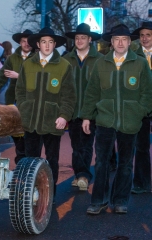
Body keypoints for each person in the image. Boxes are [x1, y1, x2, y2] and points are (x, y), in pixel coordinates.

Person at [81, 24, 152, 215]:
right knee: (102, 161)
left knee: (126, 163)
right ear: (111, 43)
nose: (120, 43)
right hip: (105, 120)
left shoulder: (140, 63)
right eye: (117, 39)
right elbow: (92, 92)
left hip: (130, 121)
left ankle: (120, 200)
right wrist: (87, 116)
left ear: (130, 42)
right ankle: (99, 201)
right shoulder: (101, 63)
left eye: (124, 39)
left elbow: (147, 92)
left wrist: (140, 111)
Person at [16, 27, 77, 201]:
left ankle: (49, 197)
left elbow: (69, 95)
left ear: (55, 44)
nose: (47, 45)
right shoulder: (28, 64)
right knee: (30, 161)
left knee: (51, 161)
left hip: (53, 122)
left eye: (51, 42)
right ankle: (31, 196)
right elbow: (20, 90)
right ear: (37, 44)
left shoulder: (64, 66)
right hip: (31, 122)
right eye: (44, 42)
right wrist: (24, 108)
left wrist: (64, 116)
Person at [63, 23, 102, 191]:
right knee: (76, 145)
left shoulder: (99, 60)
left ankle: (83, 176)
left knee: (86, 145)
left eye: (83, 38)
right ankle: (79, 174)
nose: (79, 40)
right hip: (72, 110)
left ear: (90, 39)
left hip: (91, 111)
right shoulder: (66, 60)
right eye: (77, 38)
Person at [0, 29, 34, 164]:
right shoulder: (12, 58)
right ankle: (21, 161)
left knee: (29, 134)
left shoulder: (37, 58)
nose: (26, 44)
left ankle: (28, 162)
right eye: (23, 41)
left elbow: (38, 78)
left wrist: (19, 76)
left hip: (30, 100)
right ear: (20, 42)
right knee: (16, 133)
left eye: (28, 41)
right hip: (13, 99)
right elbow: (2, 75)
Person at [130, 21, 152, 194]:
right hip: (142, 107)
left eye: (148, 35)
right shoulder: (134, 56)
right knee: (141, 146)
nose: (144, 38)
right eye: (142, 35)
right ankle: (141, 182)